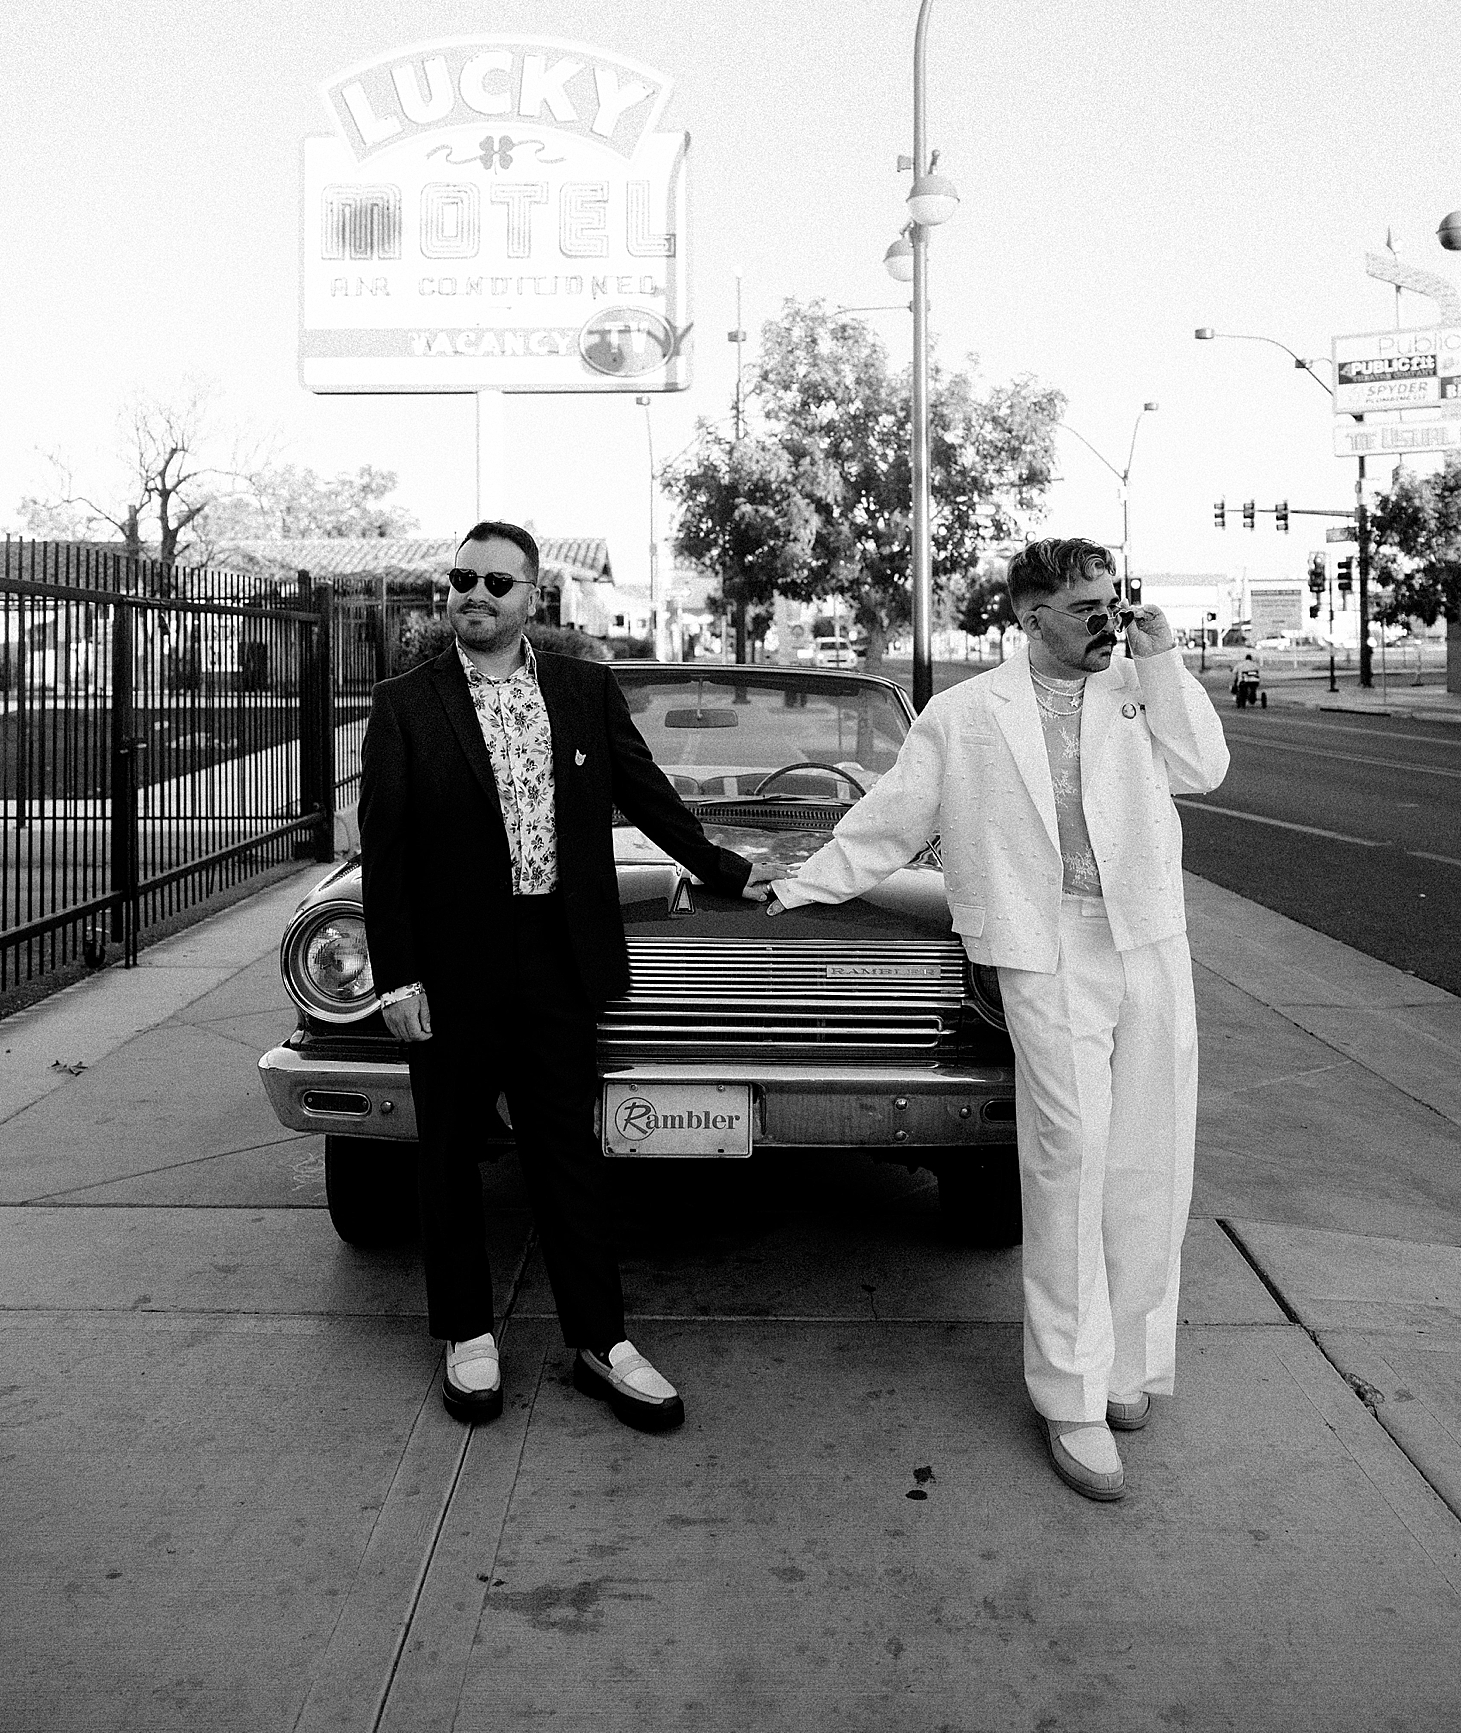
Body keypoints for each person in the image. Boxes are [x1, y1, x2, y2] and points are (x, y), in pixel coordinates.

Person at [751, 539, 1229, 1503]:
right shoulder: (967, 715)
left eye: (1114, 601)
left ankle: (1129, 1363)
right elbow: (891, 816)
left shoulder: (1140, 688)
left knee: (1152, 1150)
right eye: (1086, 607)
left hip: (1149, 938)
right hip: (1044, 947)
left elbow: (1203, 769)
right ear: (1031, 616)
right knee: (1070, 1156)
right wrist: (801, 881)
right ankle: (1072, 1395)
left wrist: (1165, 657)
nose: (1107, 620)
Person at [359, 519, 760, 1430]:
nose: (475, 595)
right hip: (453, 966)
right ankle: (467, 1334)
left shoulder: (582, 690)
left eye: (498, 584)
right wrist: (399, 978)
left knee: (568, 1153)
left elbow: (647, 792)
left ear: (532, 599)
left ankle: (600, 1342)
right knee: (450, 1153)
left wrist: (728, 868)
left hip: (557, 957)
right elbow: (384, 854)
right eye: (463, 578)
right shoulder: (406, 704)